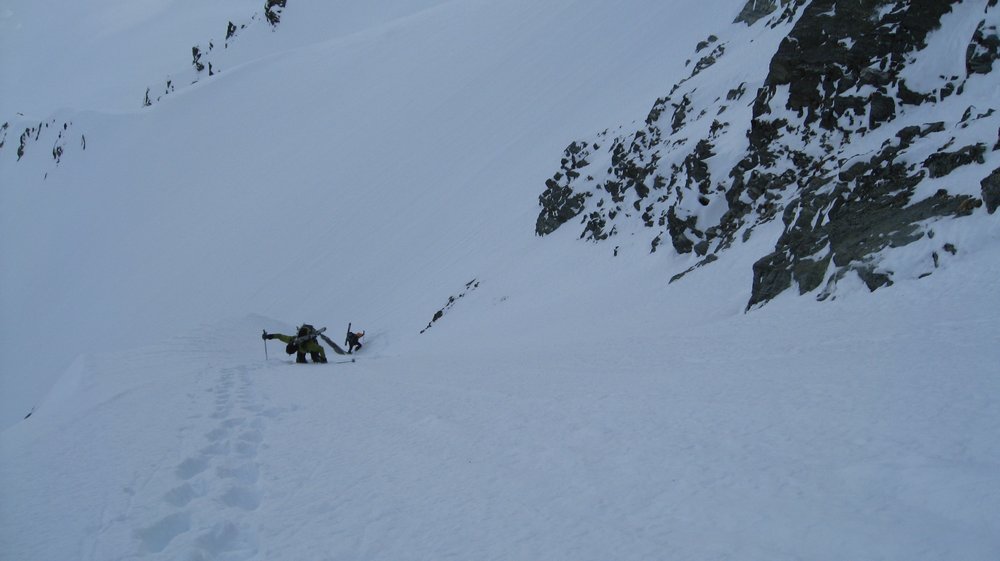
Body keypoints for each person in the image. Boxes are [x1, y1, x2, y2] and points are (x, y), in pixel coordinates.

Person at [263, 324, 328, 363]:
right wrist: (269, 336)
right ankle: (303, 358)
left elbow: (321, 349)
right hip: (302, 348)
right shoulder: (292, 340)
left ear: (295, 350)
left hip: (311, 344)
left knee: (315, 359)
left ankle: (317, 358)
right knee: (300, 361)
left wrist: (324, 358)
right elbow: (280, 336)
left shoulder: (309, 345)